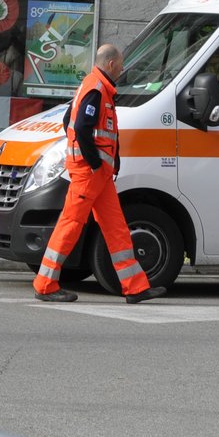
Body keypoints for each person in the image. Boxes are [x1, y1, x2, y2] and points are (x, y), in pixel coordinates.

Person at [32, 44, 166, 304]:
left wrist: (105, 164)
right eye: (121, 64)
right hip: (90, 173)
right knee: (70, 225)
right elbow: (81, 128)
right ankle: (45, 284)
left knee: (116, 228)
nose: (123, 68)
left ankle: (135, 287)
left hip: (98, 175)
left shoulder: (94, 86)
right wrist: (93, 163)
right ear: (112, 63)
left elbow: (69, 121)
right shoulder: (96, 89)